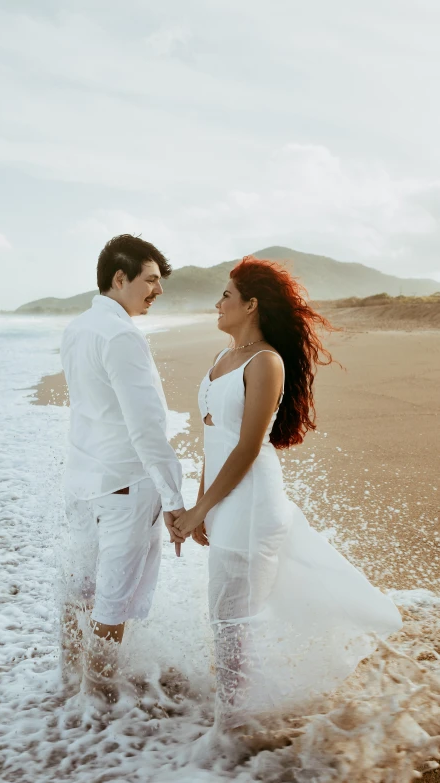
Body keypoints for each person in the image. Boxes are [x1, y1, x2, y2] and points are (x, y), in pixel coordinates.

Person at [174, 256, 403, 729]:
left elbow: (247, 448)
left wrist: (200, 510)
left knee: (233, 624)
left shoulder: (266, 362)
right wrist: (204, 506)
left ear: (251, 304)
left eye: (226, 296)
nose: (217, 303)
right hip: (226, 502)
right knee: (226, 620)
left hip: (252, 502)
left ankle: (234, 732)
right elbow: (212, 437)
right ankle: (237, 720)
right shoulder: (221, 359)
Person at [59, 234, 185, 701]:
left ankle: (69, 684)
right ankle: (100, 708)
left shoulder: (76, 329)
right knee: (110, 605)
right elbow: (146, 428)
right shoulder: (122, 336)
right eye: (150, 280)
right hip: (124, 487)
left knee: (79, 592)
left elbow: (90, 410)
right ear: (120, 278)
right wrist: (173, 499)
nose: (158, 291)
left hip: (83, 481)